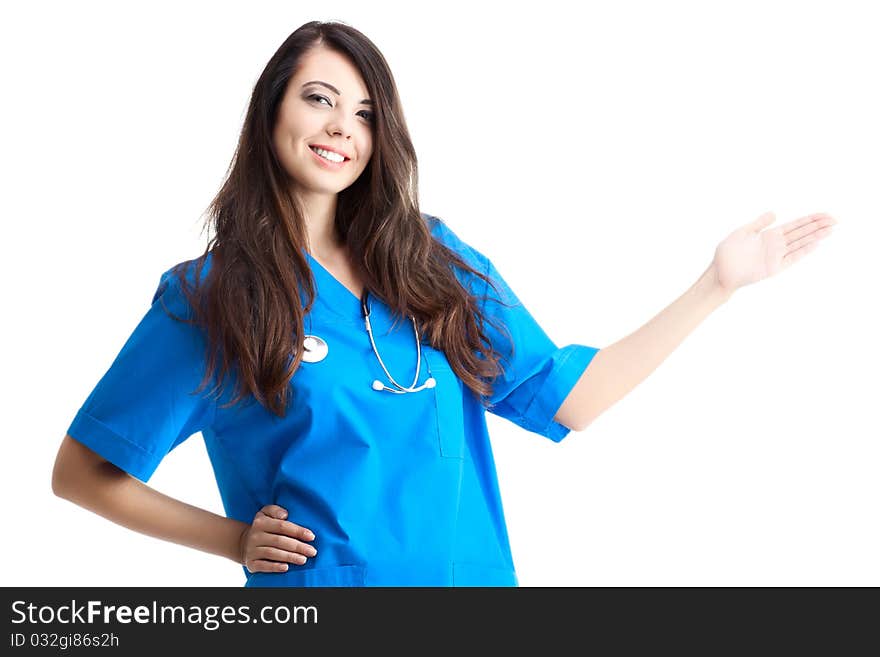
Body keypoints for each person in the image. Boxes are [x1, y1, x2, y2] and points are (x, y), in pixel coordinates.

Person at [52, 21, 837, 587]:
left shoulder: (431, 261)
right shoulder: (213, 297)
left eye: (364, 113)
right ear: (271, 116)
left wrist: (717, 285)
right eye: (318, 100)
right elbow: (82, 471)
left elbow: (570, 398)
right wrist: (233, 542)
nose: (341, 128)